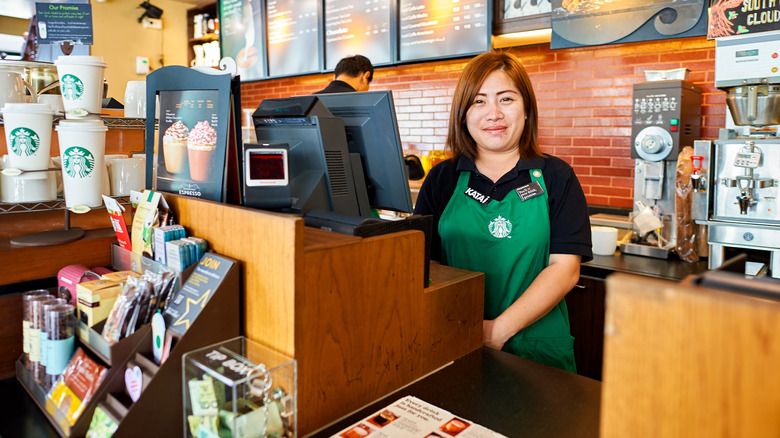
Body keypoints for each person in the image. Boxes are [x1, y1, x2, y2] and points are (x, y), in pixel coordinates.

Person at [413, 51, 592, 372]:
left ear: (527, 109)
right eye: (478, 101)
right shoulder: (443, 178)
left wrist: (497, 330)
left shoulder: (557, 176)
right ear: (463, 114)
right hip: (454, 339)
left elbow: (565, 270)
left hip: (538, 350)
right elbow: (425, 264)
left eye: (506, 99)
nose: (493, 114)